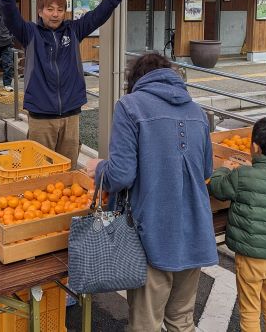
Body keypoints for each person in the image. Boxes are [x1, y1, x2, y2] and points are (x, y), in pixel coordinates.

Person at [85, 53, 218, 332]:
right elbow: (206, 172)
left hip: (152, 233)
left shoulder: (130, 106)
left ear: (134, 81)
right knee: (181, 321)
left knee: (146, 324)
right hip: (195, 230)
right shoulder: (198, 113)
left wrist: (99, 170)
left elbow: (121, 175)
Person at [0, 0, 135, 168]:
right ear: (40, 12)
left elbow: (98, 15)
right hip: (41, 115)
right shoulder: (30, 33)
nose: (55, 14)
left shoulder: (73, 30)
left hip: (71, 113)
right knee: (40, 168)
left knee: (68, 167)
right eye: (50, 9)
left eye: (60, 9)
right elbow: (10, 17)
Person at [208, 117, 266, 332]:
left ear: (254, 147)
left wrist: (224, 168)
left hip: (250, 257)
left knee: (250, 310)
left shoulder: (242, 175)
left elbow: (218, 189)